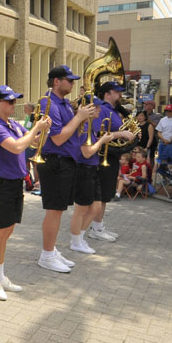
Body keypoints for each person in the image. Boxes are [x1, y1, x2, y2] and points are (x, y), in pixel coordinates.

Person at [0, 86, 50, 300]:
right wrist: (35, 127)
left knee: (7, 232)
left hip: (14, 184)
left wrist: (43, 130)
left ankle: (1, 276)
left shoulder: (12, 124)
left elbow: (34, 142)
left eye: (14, 101)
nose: (13, 105)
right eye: (9, 101)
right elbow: (18, 147)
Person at [33, 65, 99, 273]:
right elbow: (59, 137)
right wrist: (79, 117)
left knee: (58, 210)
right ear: (56, 81)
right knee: (54, 210)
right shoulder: (48, 102)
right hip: (55, 161)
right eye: (69, 80)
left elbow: (71, 133)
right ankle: (46, 254)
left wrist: (83, 118)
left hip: (65, 162)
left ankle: (50, 251)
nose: (72, 84)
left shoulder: (64, 104)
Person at [85, 81, 136, 243]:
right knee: (102, 195)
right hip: (103, 156)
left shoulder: (113, 110)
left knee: (105, 194)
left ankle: (98, 226)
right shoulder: (103, 110)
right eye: (117, 92)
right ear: (108, 94)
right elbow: (99, 134)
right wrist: (122, 135)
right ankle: (96, 229)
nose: (120, 95)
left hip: (111, 156)